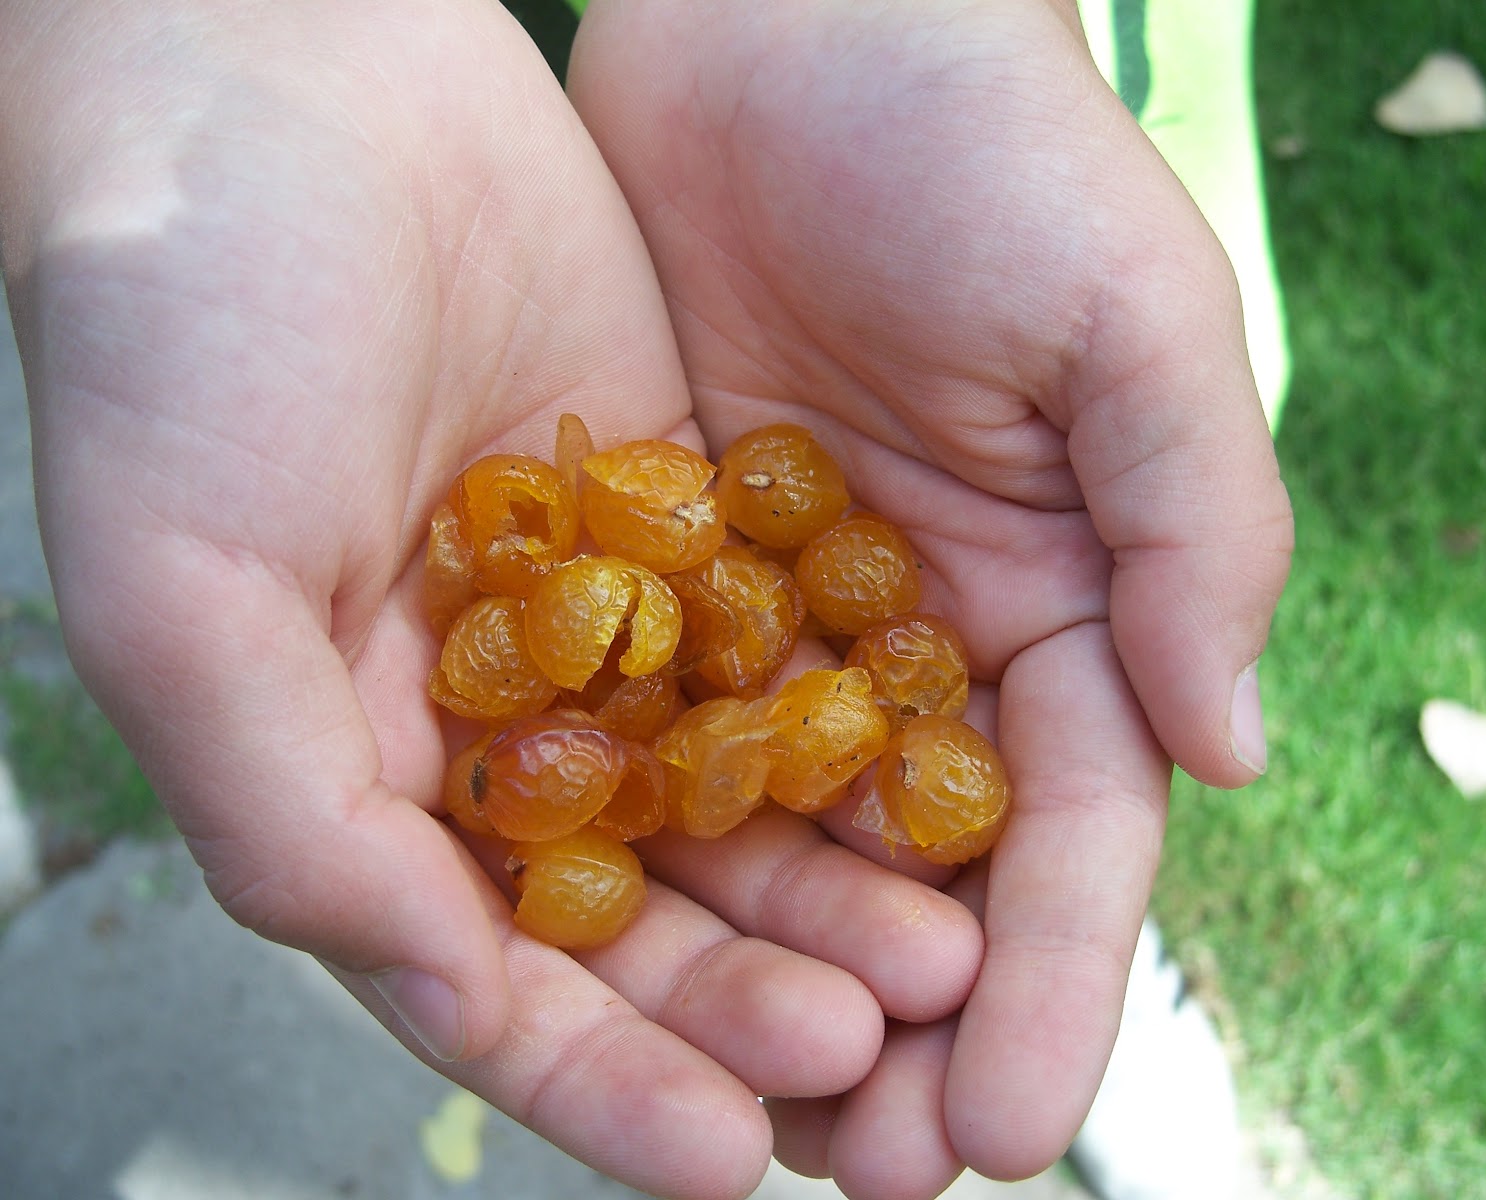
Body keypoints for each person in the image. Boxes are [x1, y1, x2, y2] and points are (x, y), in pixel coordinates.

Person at [0, 1, 1292, 1197]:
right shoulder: (584, 623)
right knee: (1067, 640)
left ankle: (1115, 965)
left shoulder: (799, 622)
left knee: (1090, 574)